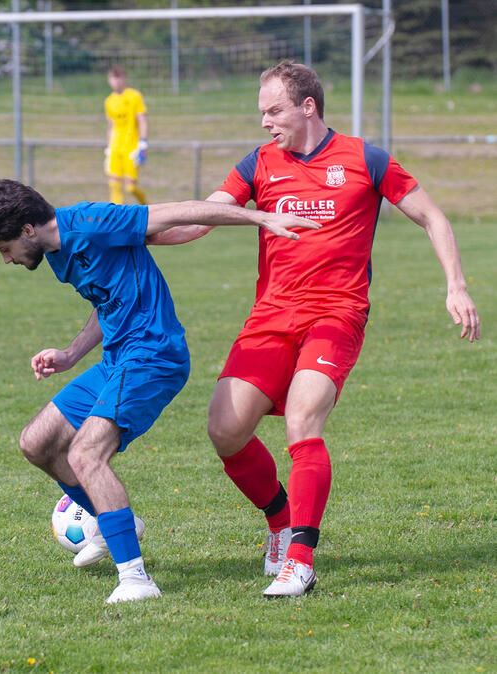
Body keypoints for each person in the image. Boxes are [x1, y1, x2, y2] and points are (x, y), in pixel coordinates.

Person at [157, 60, 481, 598]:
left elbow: (433, 217)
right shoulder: (257, 164)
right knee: (224, 430)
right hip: (270, 316)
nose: (265, 122)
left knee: (303, 418)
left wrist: (456, 285)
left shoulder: (365, 159)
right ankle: (280, 521)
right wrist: (132, 230)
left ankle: (300, 560)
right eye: (261, 112)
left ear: (308, 107)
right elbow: (200, 219)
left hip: (337, 313)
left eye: (274, 110)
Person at [0, 178, 318, 603]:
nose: (6, 260)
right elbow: (108, 300)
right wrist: (70, 354)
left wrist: (260, 217)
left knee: (85, 453)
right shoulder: (57, 253)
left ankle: (135, 580)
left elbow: (182, 210)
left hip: (153, 356)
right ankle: (113, 520)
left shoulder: (94, 221)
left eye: (5, 249)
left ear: (27, 229)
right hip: (119, 359)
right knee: (36, 442)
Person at [103, 65, 148, 205]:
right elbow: (111, 125)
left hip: (131, 147)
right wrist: (109, 148)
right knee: (114, 185)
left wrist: (143, 143)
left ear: (124, 79)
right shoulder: (109, 101)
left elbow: (142, 120)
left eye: (118, 78)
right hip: (116, 147)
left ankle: (147, 207)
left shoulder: (134, 96)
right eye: (112, 78)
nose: (115, 82)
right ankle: (116, 219)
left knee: (131, 187)